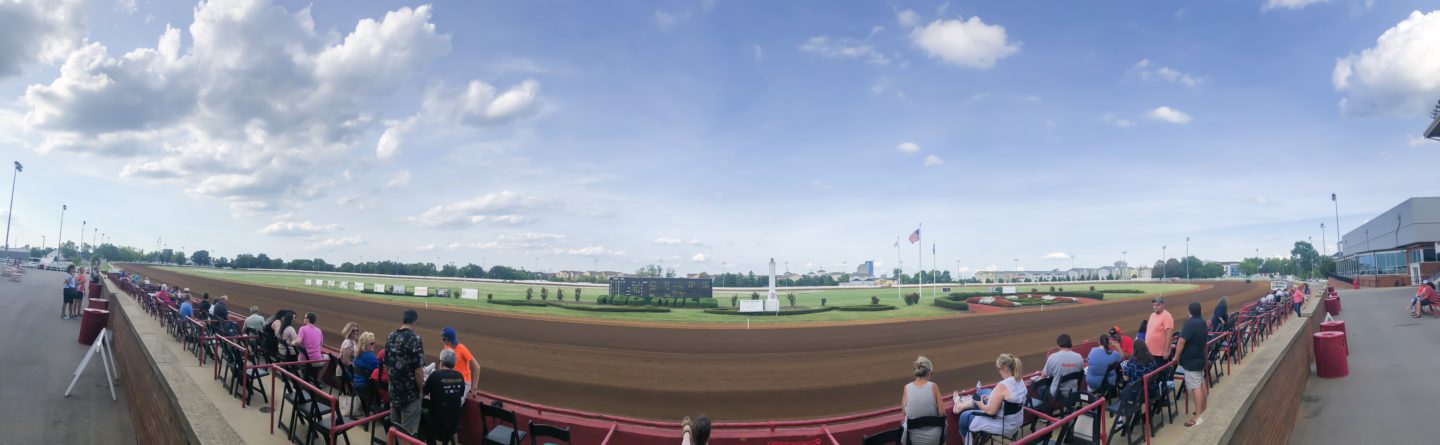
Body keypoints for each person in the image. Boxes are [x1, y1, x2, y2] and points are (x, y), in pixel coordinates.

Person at [953, 354, 1027, 444]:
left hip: (1005, 426)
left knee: (964, 417)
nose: (999, 372)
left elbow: (991, 411)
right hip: (1016, 421)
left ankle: (968, 441)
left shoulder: (1003, 386)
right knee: (986, 392)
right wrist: (990, 399)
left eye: (999, 369)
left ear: (1005, 368)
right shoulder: (1020, 380)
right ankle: (961, 406)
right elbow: (1010, 400)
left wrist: (980, 403)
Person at [385, 309, 425, 435]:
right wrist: (421, 390)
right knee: (406, 436)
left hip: (393, 392)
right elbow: (418, 371)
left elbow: (386, 364)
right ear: (414, 321)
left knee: (393, 432)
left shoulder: (391, 336)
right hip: (409, 396)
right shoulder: (415, 339)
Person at [1174, 302, 1209, 427]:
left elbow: (1181, 341)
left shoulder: (1189, 323)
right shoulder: (1203, 322)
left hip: (1191, 361)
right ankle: (1203, 409)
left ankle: (1198, 416)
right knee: (1200, 383)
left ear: (1189, 311)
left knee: (1196, 387)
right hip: (1200, 358)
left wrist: (1176, 356)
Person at [421, 348, 466, 443]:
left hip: (438, 421)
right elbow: (460, 394)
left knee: (422, 411)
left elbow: (423, 392)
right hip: (455, 421)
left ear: (441, 362)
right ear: (453, 363)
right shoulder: (460, 376)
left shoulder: (435, 375)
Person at [899, 356, 943, 445]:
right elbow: (942, 413)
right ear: (929, 373)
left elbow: (904, 413)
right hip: (933, 439)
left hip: (912, 439)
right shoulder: (933, 386)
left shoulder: (907, 388)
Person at [440, 327, 482, 397]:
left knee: (455, 399)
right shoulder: (446, 347)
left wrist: (474, 388)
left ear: (449, 340)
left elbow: (477, 367)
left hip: (464, 381)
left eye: (443, 339)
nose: (442, 341)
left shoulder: (462, 349)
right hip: (451, 379)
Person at [292, 312, 328, 378]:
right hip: (316, 361)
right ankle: (318, 379)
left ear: (308, 320)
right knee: (328, 357)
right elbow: (320, 345)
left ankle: (301, 373)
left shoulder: (302, 328)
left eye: (304, 318)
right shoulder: (319, 331)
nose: (303, 319)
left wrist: (293, 342)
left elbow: (298, 342)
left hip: (303, 360)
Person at [352, 331, 380, 397]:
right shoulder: (370, 357)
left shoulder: (357, 354)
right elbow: (381, 369)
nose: (374, 344)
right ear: (366, 345)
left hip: (356, 384)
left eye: (374, 342)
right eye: (372, 343)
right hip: (366, 387)